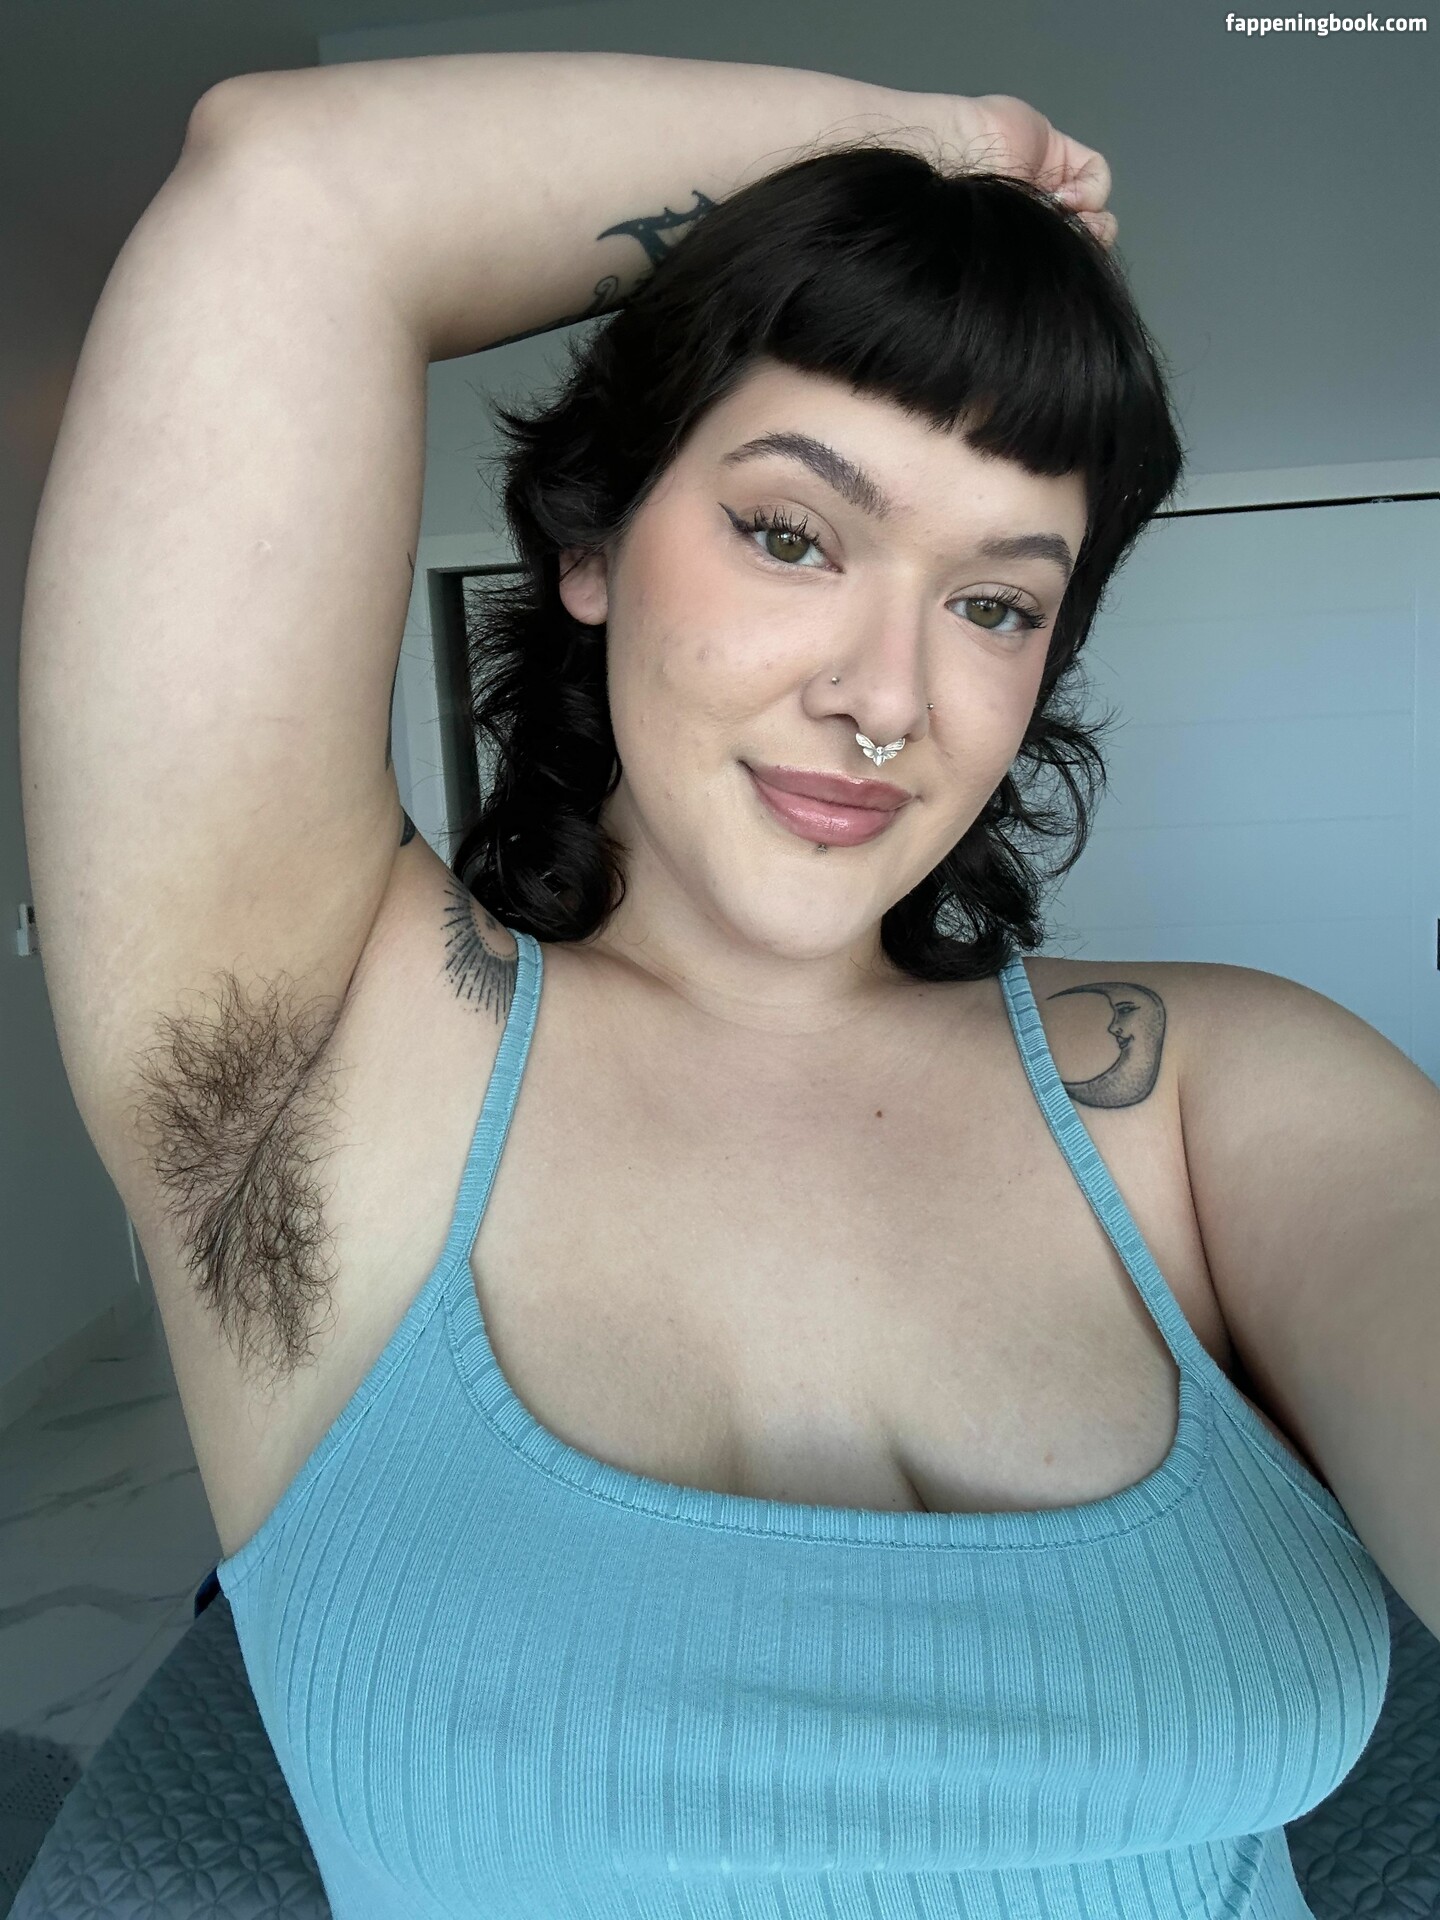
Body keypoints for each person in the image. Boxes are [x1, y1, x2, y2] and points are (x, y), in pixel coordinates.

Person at [19, 49, 1407, 1920]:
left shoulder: (1214, 1094)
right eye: (789, 533)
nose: (889, 698)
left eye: (996, 603)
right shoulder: (335, 1069)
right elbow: (294, 187)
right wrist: (954, 159)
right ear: (592, 543)